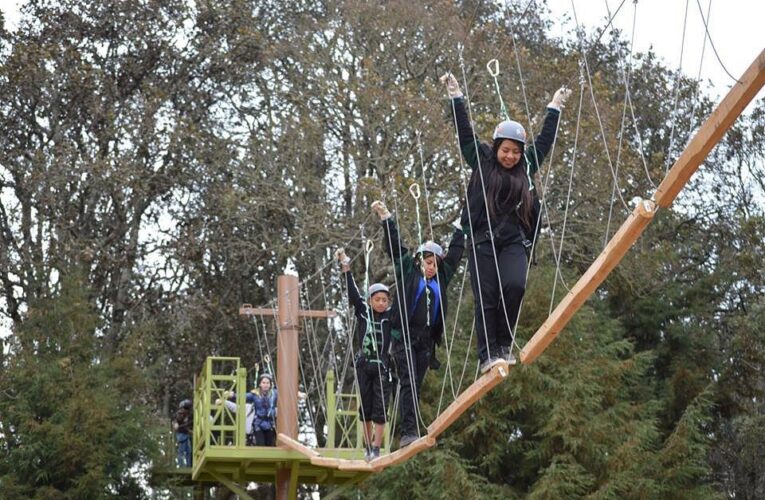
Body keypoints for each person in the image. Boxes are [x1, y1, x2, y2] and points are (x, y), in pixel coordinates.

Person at [441, 72, 570, 373]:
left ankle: (503, 343)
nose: (510, 156)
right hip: (482, 239)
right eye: (505, 150)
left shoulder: (527, 165)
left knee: (514, 285)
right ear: (496, 148)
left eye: (515, 151)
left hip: (513, 239)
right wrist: (456, 98)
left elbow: (544, 141)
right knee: (486, 295)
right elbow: (464, 133)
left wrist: (554, 108)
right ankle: (487, 354)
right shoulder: (481, 159)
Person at [373, 200, 465, 448]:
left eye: (435, 263)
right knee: (409, 380)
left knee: (416, 383)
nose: (431, 267)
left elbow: (456, 253)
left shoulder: (441, 279)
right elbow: (394, 248)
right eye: (427, 262)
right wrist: (387, 219)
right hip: (402, 336)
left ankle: (408, 427)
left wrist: (462, 224)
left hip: (424, 342)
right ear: (419, 261)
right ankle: (408, 432)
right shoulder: (409, 271)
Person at [335, 247, 393, 461]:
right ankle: (368, 446)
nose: (380, 303)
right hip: (364, 365)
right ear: (370, 301)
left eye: (384, 300)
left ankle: (377, 447)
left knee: (380, 409)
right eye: (377, 299)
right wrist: (346, 267)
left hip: (381, 366)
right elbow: (352, 293)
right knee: (365, 410)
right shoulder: (363, 312)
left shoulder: (390, 317)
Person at [246, 373, 278, 446]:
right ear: (260, 384)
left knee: (270, 445)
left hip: (270, 424)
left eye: (267, 383)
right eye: (263, 383)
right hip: (259, 424)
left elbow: (286, 394)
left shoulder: (274, 393)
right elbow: (243, 396)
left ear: (270, 384)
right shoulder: (255, 394)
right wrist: (232, 395)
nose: (266, 385)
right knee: (261, 444)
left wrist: (298, 394)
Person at [173, 399, 193, 467]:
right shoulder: (179, 414)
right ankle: (181, 465)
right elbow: (177, 425)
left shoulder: (188, 415)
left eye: (187, 409)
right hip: (181, 435)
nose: (186, 410)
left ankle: (188, 465)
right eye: (185, 408)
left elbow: (189, 424)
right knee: (181, 451)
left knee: (189, 451)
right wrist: (189, 431)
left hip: (186, 434)